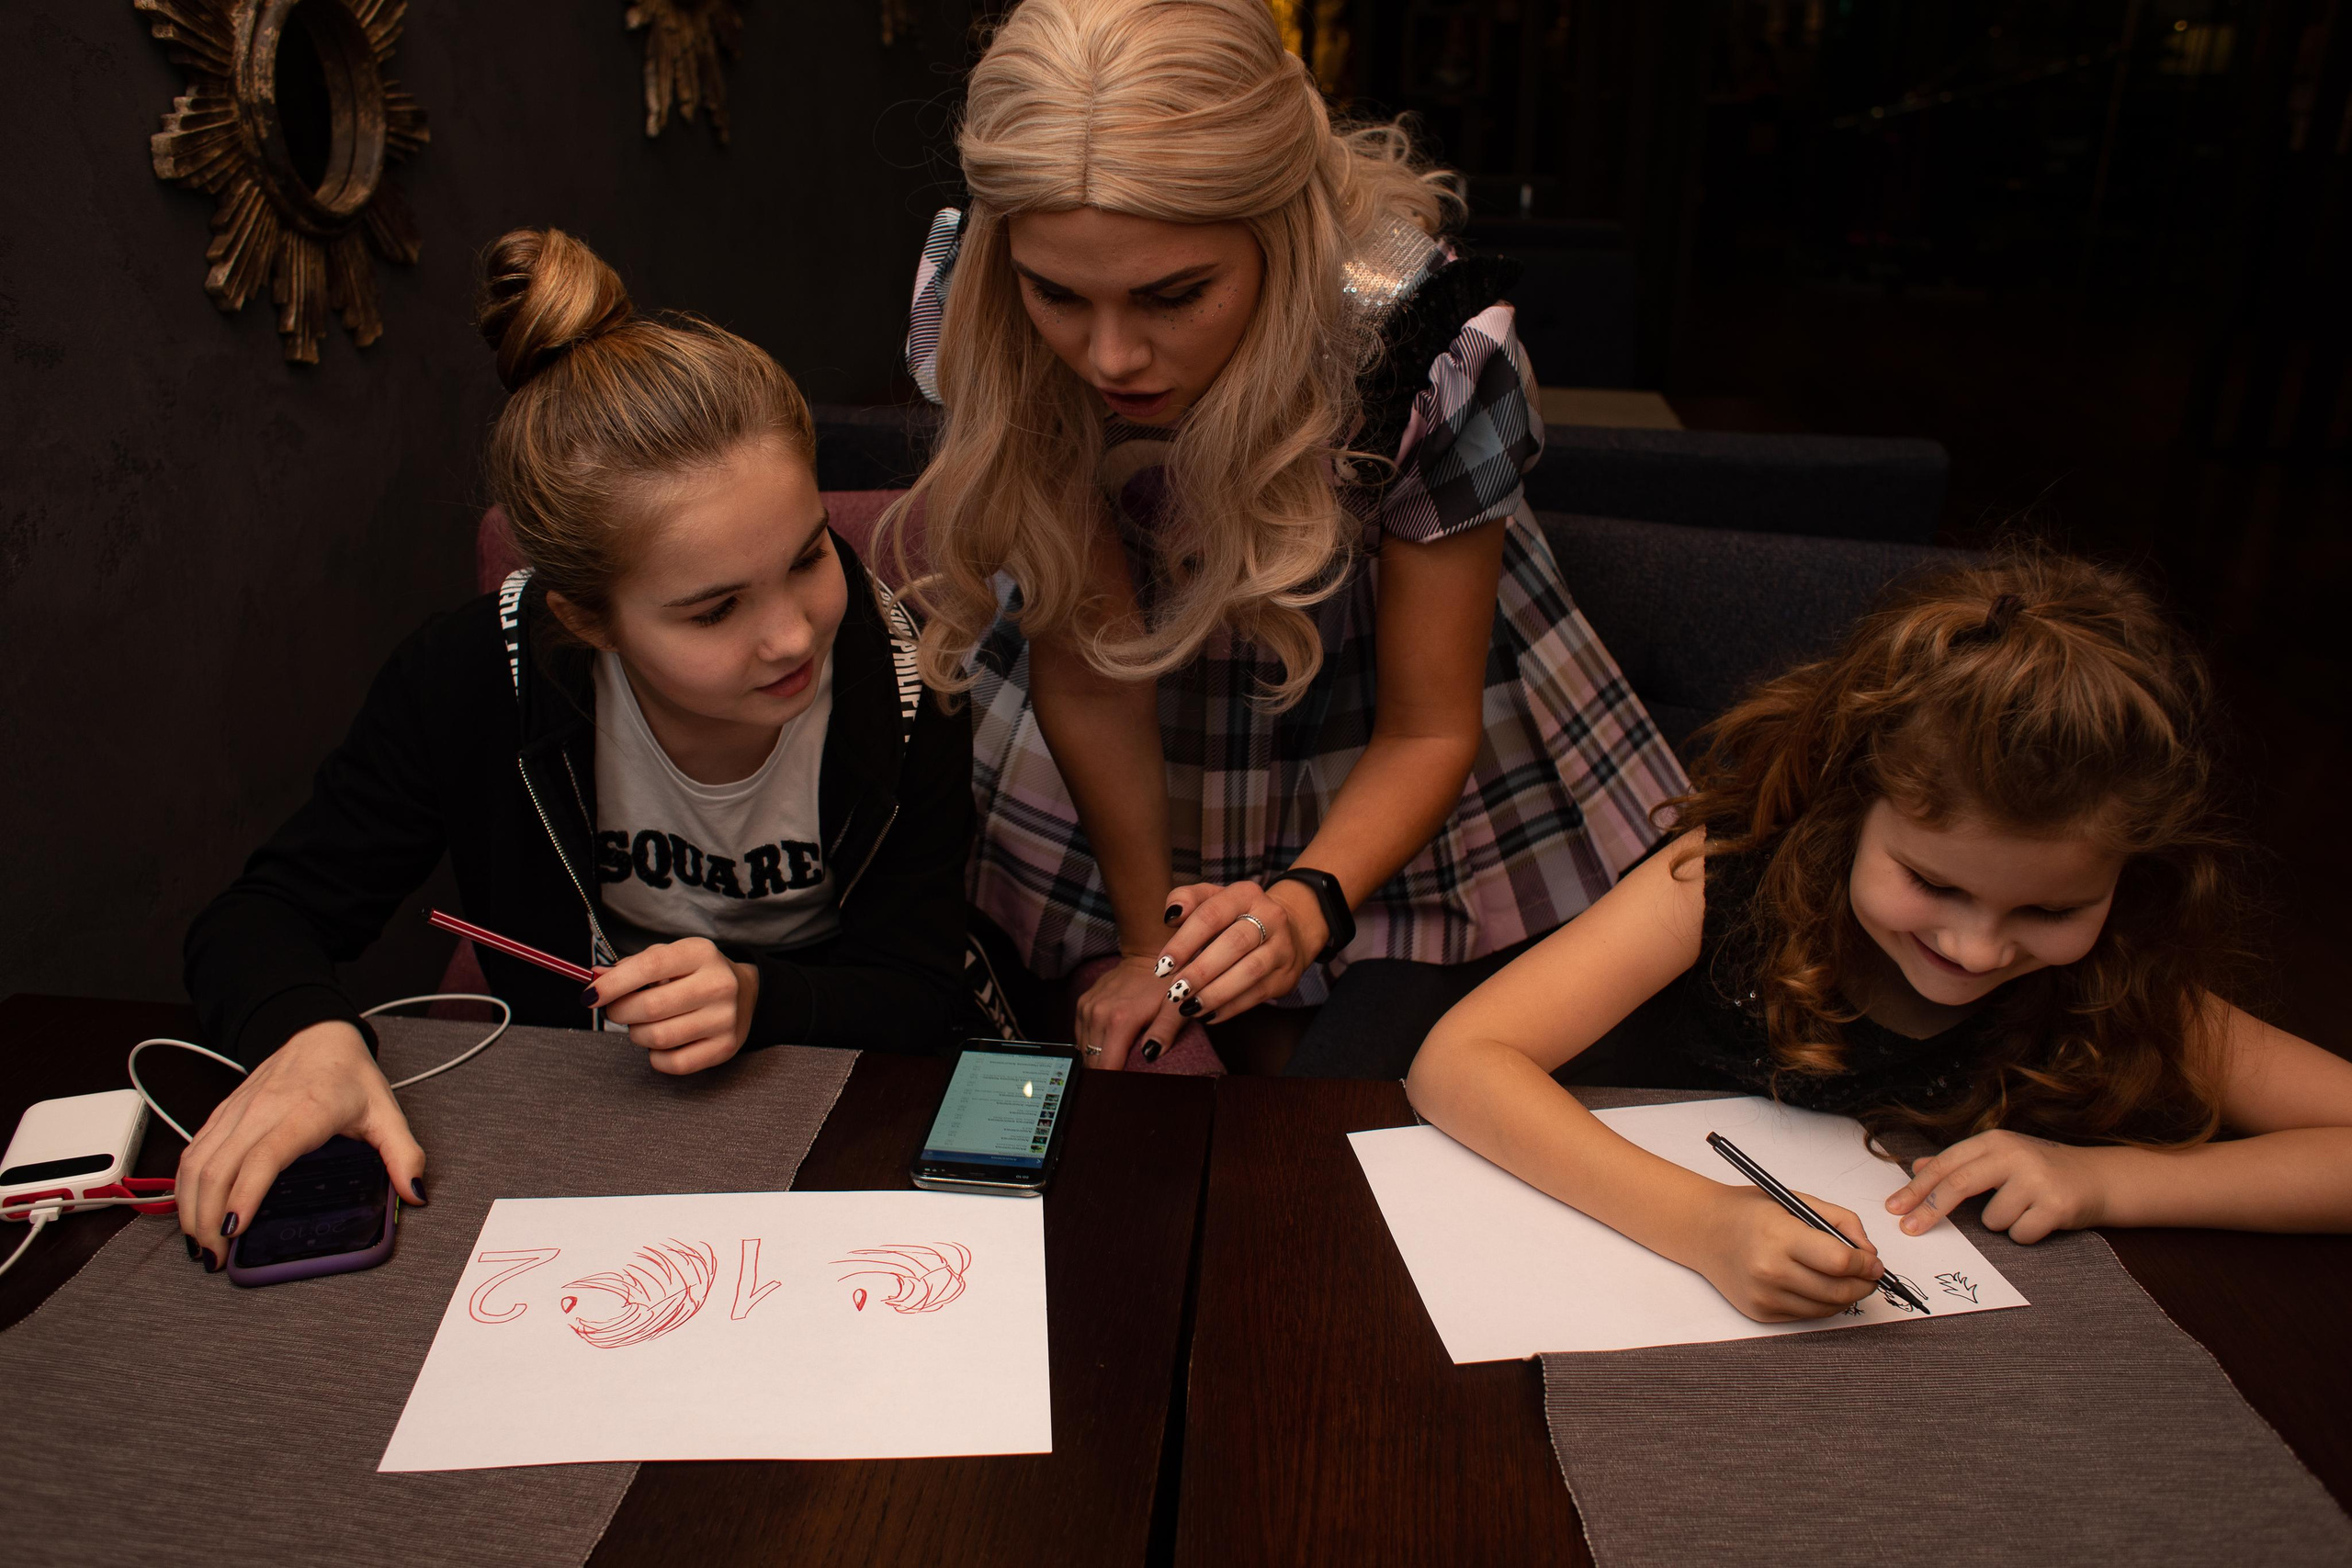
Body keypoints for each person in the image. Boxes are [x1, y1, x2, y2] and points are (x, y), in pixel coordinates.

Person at [887, 0, 1684, 1073]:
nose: (1110, 357)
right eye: (1058, 294)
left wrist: (1307, 906)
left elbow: (1425, 729)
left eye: (1174, 295)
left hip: (1384, 718)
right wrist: (1147, 949)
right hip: (1130, 733)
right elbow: (1090, 672)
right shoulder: (989, 321)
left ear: (1276, 234)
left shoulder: (1426, 345)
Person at [174, 229, 973, 1268]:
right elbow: (260, 918)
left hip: (847, 1138)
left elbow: (925, 994)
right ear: (589, 621)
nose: (793, 633)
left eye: (810, 556)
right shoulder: (469, 683)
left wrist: (758, 997)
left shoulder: (908, 682)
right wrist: (308, 1037)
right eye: (713, 609)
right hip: (584, 1147)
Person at [1405, 552, 2352, 1322]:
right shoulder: (1723, 877)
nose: (1978, 950)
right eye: (1933, 883)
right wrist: (1703, 1224)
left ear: (2131, 876)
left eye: (2047, 911)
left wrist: (2107, 1183)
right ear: (1849, 803)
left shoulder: (2119, 966)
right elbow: (1459, 1061)